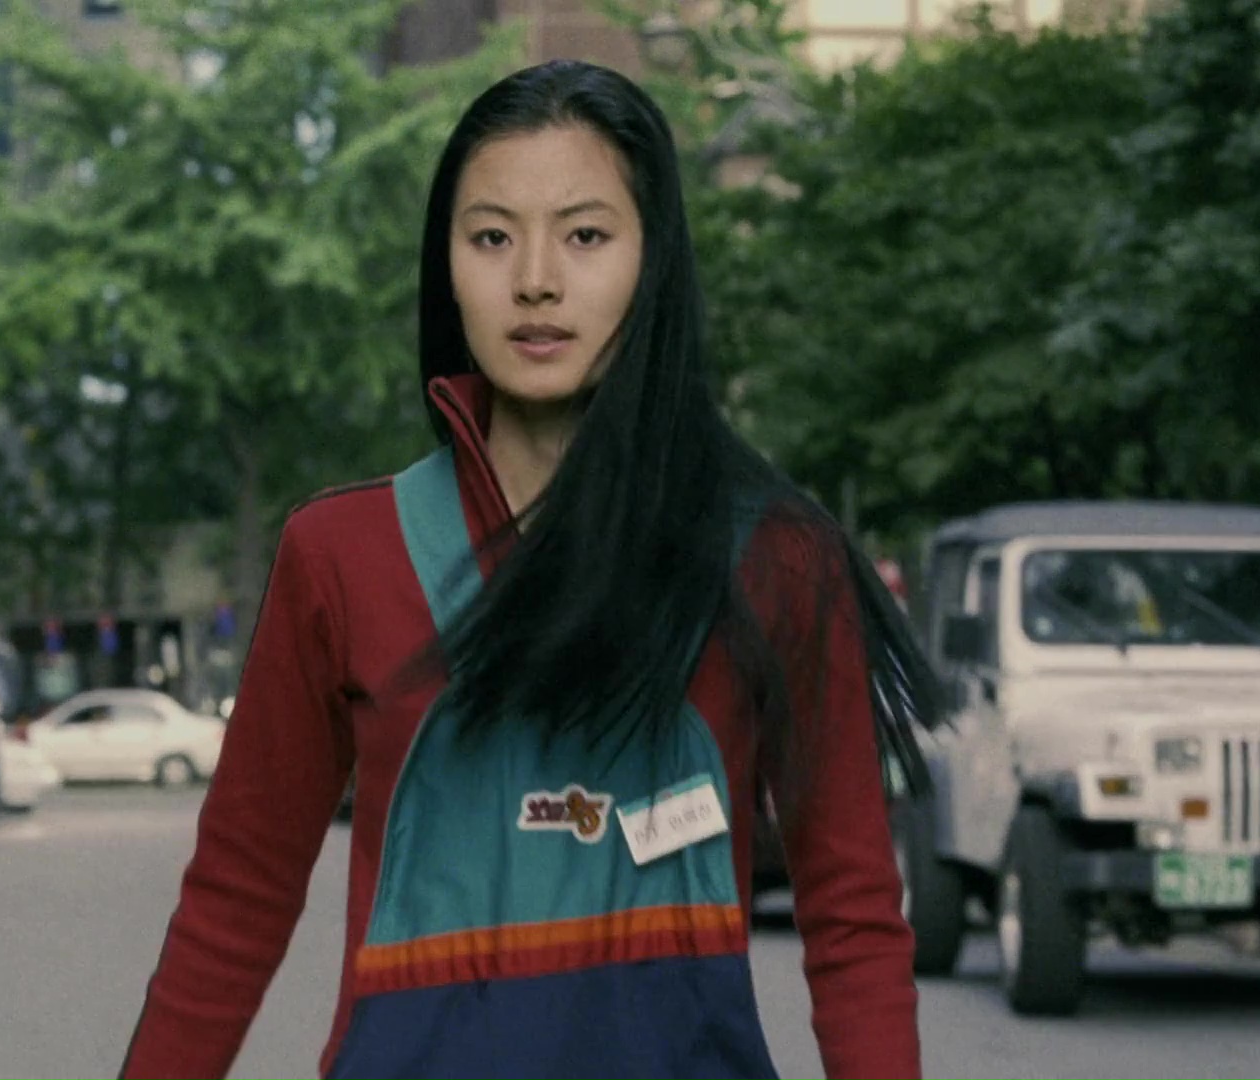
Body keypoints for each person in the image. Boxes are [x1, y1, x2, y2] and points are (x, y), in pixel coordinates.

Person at [117, 59, 940, 1080]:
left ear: (654, 260)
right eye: (492, 237)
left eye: (585, 235)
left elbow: (853, 921)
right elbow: (235, 903)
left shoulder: (775, 559)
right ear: (448, 267)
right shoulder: (340, 556)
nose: (536, 279)